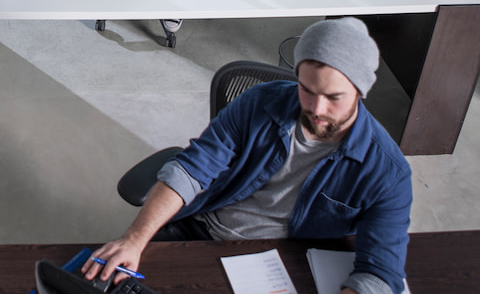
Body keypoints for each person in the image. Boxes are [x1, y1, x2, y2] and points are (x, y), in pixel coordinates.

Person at [83, 17, 412, 294]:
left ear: (361, 91)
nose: (316, 109)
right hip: (202, 232)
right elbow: (191, 169)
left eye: (333, 97)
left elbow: (380, 275)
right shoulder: (260, 101)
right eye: (306, 90)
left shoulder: (388, 172)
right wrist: (134, 238)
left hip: (283, 263)